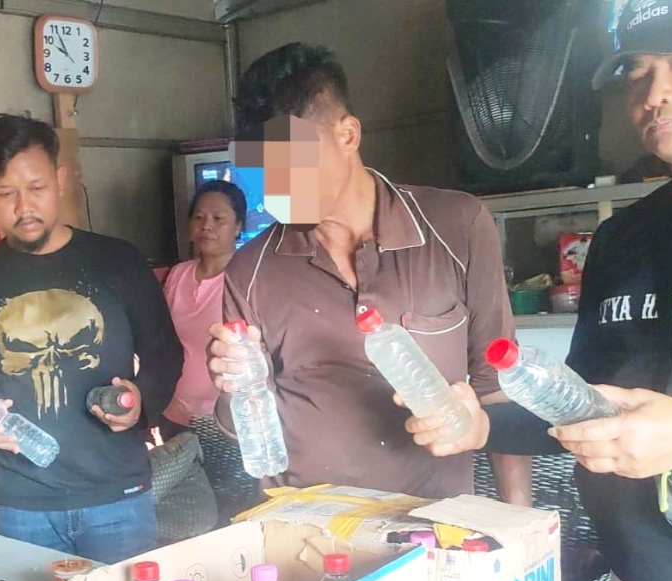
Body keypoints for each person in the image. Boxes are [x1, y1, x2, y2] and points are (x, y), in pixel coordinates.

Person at [406, 2, 672, 581]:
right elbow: (583, 406)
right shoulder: (622, 236)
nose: (655, 94)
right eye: (637, 72)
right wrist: (480, 426)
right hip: (632, 575)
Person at [205, 42, 532, 505]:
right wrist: (233, 385)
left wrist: (521, 522)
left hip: (435, 524)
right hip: (306, 525)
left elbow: (496, 386)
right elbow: (247, 428)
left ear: (348, 135)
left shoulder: (457, 226)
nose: (278, 189)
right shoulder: (250, 269)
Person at [0, 114, 183, 564]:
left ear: (60, 179)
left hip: (118, 495)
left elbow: (165, 352)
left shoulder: (118, 262)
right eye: (6, 193)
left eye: (37, 188)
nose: (24, 207)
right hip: (19, 503)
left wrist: (142, 401)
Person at [160, 180, 247, 441]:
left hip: (223, 420)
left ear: (238, 227)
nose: (206, 225)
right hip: (172, 414)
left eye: (218, 218)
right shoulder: (178, 274)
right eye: (198, 217)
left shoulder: (246, 280)